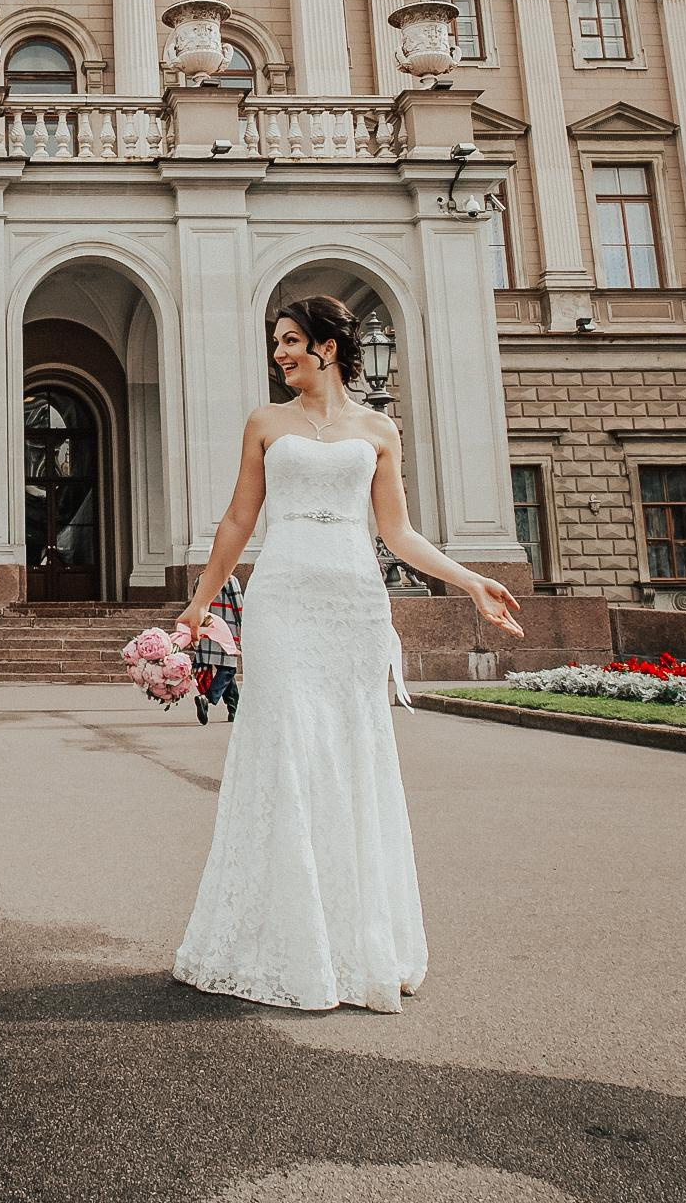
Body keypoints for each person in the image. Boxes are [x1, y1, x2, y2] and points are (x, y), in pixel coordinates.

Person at [172, 294, 523, 1014]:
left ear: (328, 348)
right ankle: (285, 943)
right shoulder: (266, 423)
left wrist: (468, 582)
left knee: (352, 758)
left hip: (355, 605)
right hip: (285, 600)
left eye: (291, 341)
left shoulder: (378, 429)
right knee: (291, 751)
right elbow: (241, 516)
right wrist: (202, 601)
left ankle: (353, 942)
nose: (280, 355)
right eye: (277, 343)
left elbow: (398, 533)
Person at [192, 573, 242, 725]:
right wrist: (244, 628)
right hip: (226, 630)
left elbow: (196, 603)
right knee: (228, 669)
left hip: (207, 628)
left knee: (225, 671)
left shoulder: (200, 578)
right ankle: (207, 699)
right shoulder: (230, 579)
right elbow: (239, 606)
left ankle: (234, 710)